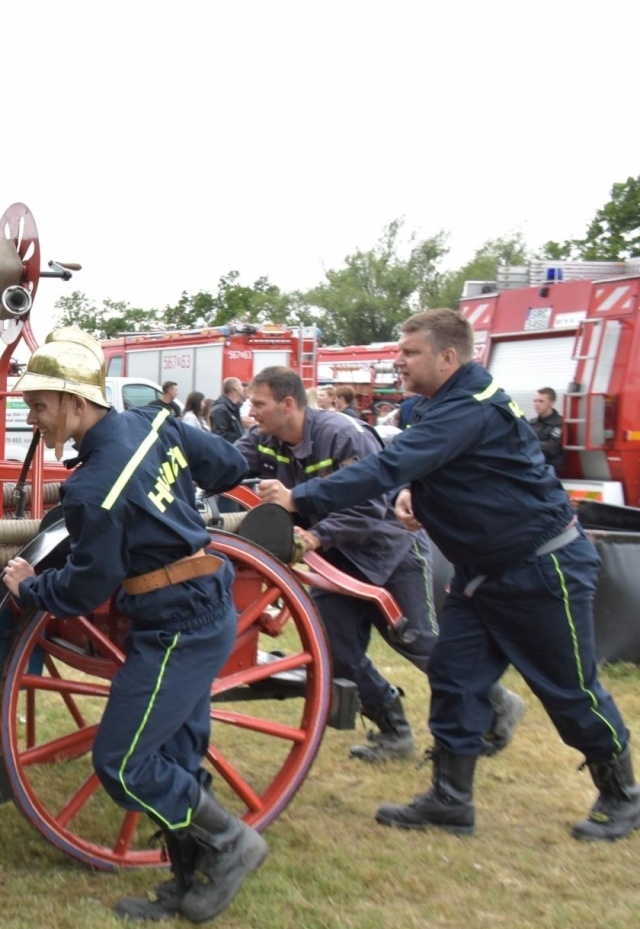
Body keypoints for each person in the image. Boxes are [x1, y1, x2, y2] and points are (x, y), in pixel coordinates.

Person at [259, 309, 637, 841]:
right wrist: (421, 498)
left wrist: (302, 497)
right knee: (456, 682)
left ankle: (622, 794)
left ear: (448, 357)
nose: (398, 360)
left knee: (570, 691)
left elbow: (390, 467)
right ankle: (451, 800)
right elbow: (439, 472)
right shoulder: (436, 408)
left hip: (542, 568)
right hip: (482, 573)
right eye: (400, 350)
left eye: (409, 352)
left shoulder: (469, 409)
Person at [0, 326, 262, 924]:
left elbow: (87, 586)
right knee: (174, 753)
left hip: (177, 626)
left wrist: (29, 586)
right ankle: (187, 879)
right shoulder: (157, 423)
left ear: (74, 401)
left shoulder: (93, 487)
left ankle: (231, 845)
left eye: (39, 406)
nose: (34, 419)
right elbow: (225, 464)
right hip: (200, 607)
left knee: (121, 761)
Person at [236, 366, 524, 762]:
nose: (252, 413)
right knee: (337, 650)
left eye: (259, 403)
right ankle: (394, 732)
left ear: (288, 404)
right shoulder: (263, 440)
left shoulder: (343, 434)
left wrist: (314, 536)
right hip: (334, 559)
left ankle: (498, 703)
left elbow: (370, 506)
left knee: (419, 643)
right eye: (250, 403)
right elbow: (227, 462)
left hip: (390, 551)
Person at [529, 386, 565, 475]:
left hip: (549, 470)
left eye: (541, 401)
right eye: (535, 401)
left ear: (551, 403)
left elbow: (551, 448)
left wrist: (528, 447)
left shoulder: (560, 424)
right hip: (532, 467)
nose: (537, 404)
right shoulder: (531, 423)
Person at [210, 378, 245, 442]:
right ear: (236, 388)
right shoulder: (220, 409)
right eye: (241, 385)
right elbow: (219, 437)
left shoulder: (234, 408)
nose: (243, 388)